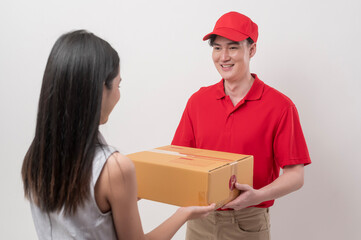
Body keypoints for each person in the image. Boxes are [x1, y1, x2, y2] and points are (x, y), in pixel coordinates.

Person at [21, 30, 215, 240]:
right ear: (99, 89)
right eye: (118, 84)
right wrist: (184, 214)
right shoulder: (115, 168)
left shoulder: (35, 157)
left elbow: (82, 214)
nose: (118, 94)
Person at [172, 11, 311, 239]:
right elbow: (180, 158)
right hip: (199, 220)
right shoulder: (198, 101)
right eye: (217, 48)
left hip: (248, 222)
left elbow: (295, 175)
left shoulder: (280, 106)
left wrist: (257, 195)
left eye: (233, 47)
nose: (223, 56)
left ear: (252, 50)